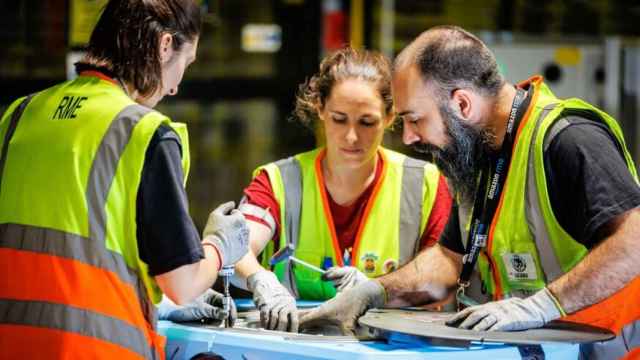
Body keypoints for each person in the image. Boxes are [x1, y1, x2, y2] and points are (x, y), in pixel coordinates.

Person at [299, 26, 640, 359]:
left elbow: (634, 240)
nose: (409, 138)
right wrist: (377, 291)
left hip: (606, 350)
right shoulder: (478, 157)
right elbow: (449, 259)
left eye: (415, 119)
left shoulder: (567, 139)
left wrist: (542, 304)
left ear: (462, 104)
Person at [0, 1, 248, 358]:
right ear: (165, 46)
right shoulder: (142, 132)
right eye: (185, 64)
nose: (176, 87)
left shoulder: (17, 116)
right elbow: (183, 283)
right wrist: (220, 246)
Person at [228, 48, 452, 333]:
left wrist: (381, 291)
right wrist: (259, 278)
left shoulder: (425, 184)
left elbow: (444, 275)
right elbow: (234, 249)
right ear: (320, 107)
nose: (351, 136)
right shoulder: (277, 182)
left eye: (367, 122)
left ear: (390, 115)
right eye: (339, 118)